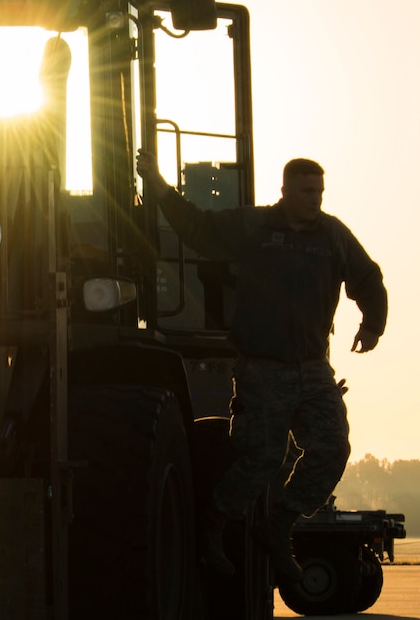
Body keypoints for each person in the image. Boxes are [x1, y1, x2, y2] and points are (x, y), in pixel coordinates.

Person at [140, 152, 388, 581]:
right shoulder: (254, 227)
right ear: (286, 191)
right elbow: (198, 228)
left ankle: (279, 525)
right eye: (307, 192)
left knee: (333, 450)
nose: (315, 200)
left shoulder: (331, 236)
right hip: (262, 367)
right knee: (263, 458)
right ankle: (212, 527)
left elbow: (367, 277)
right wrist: (160, 187)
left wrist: (372, 325)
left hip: (312, 367)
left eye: (320, 192)